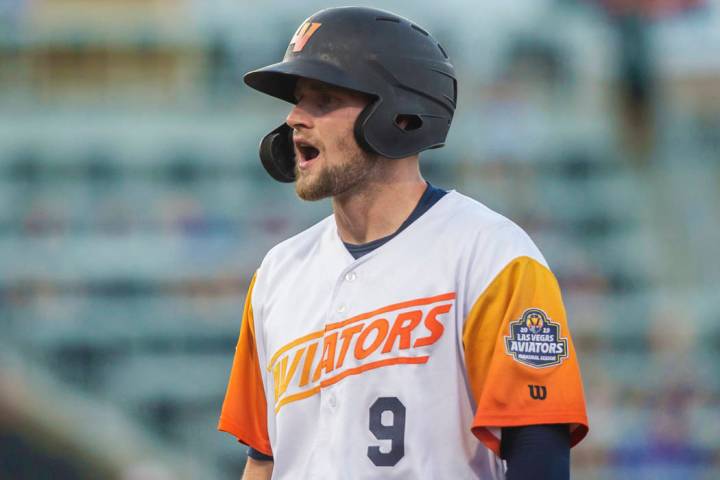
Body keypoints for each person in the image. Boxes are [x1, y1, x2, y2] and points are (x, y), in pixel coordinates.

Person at [219, 6, 588, 480]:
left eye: (323, 100)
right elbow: (263, 458)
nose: (293, 119)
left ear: (400, 116)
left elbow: (538, 450)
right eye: (297, 101)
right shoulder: (277, 273)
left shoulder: (490, 255)